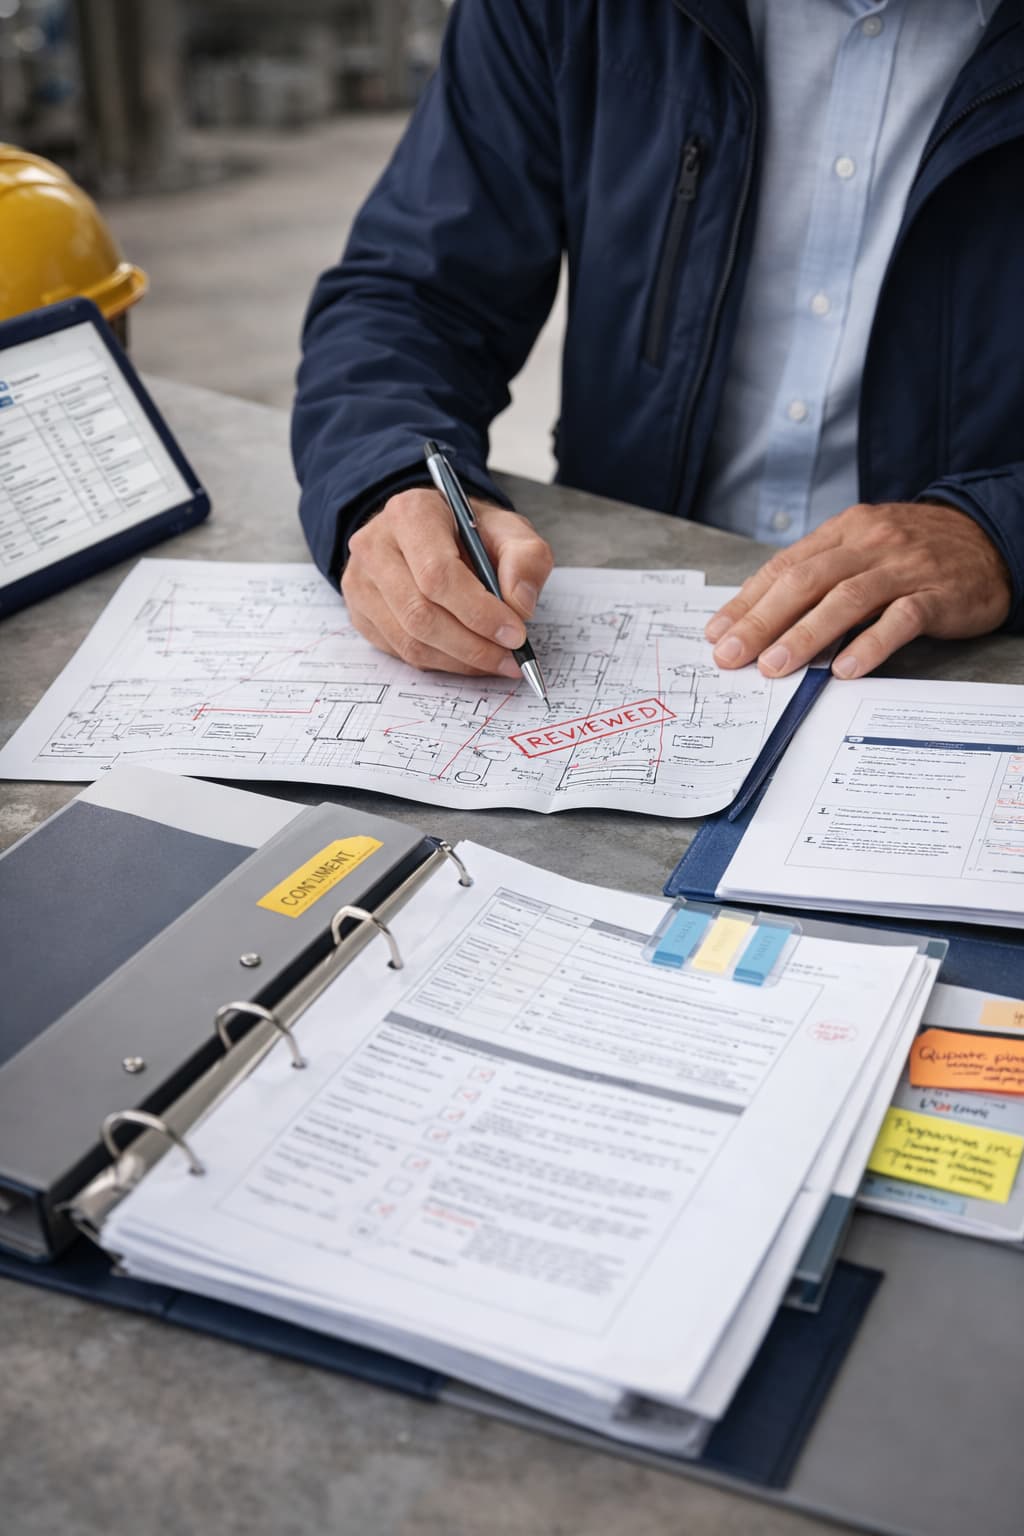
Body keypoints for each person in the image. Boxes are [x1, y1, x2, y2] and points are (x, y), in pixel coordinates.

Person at [291, 0, 1023, 688]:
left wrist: (999, 534)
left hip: (960, 663)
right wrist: (388, 480)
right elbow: (413, 296)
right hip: (620, 631)